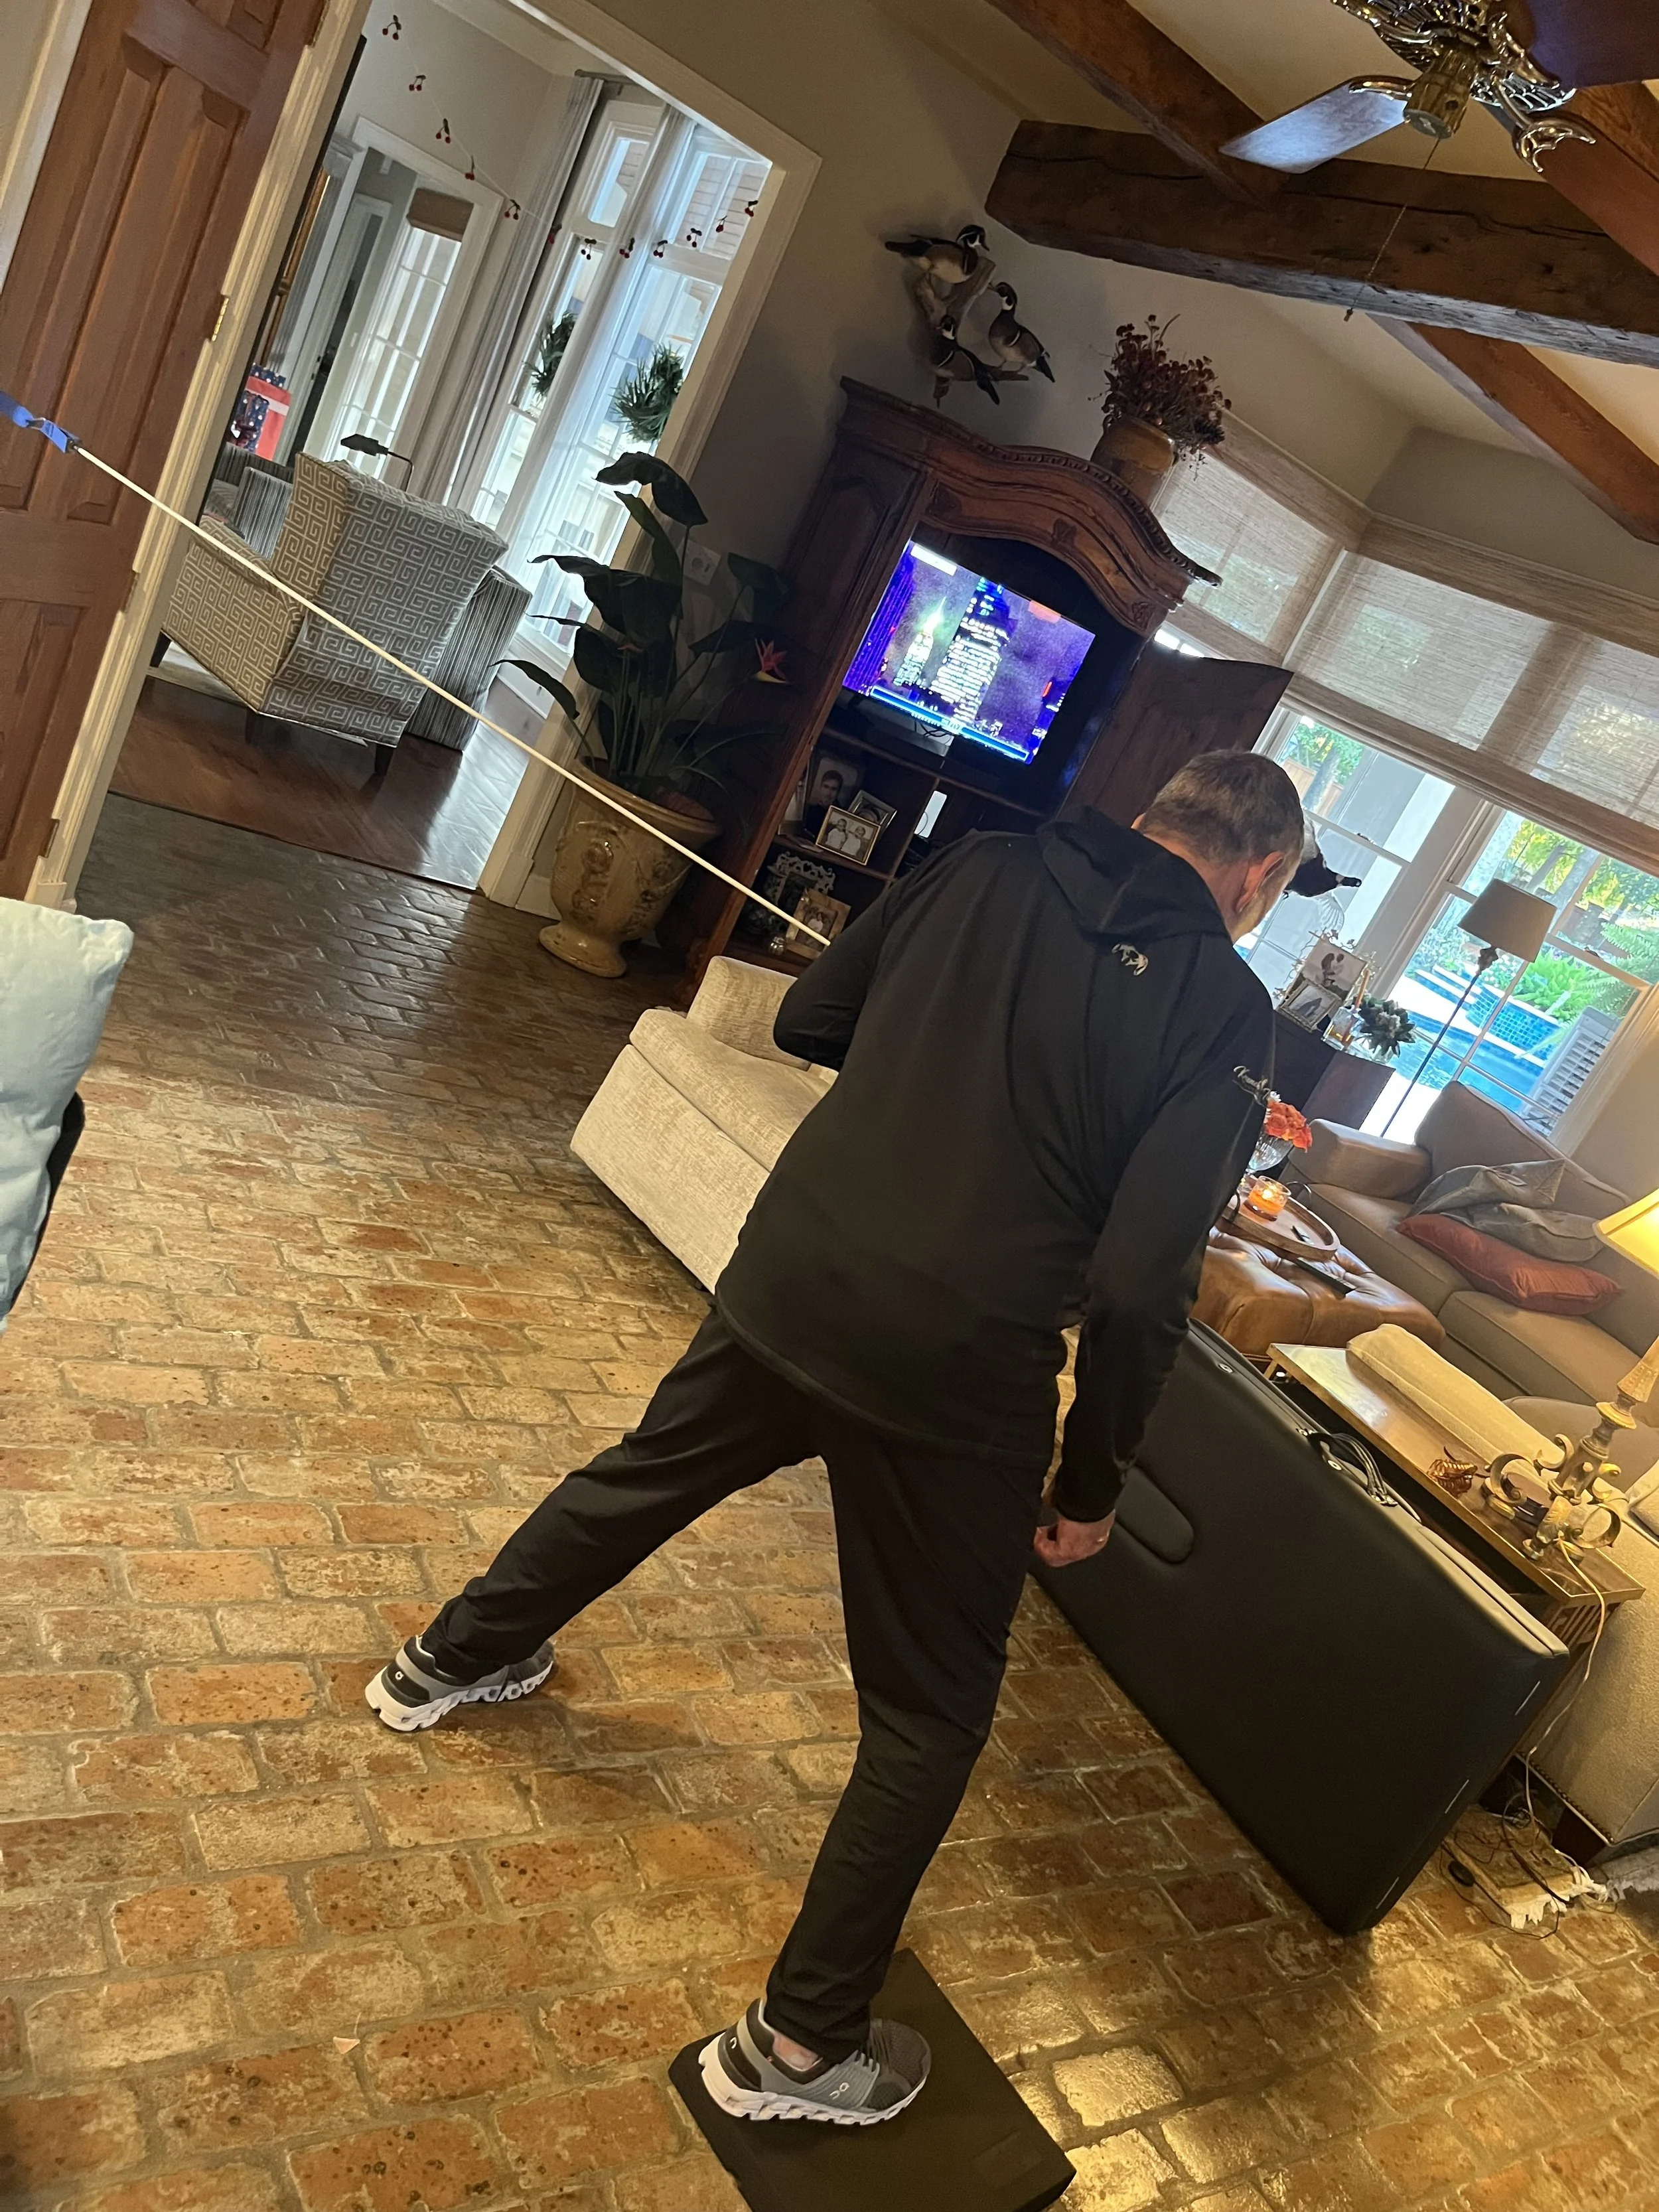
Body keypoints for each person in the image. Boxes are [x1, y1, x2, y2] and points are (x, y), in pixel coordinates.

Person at [365, 749, 1305, 2127]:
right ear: (1258, 876)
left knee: (642, 1477)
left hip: (794, 1278)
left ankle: (441, 1659)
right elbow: (1136, 1283)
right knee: (928, 1711)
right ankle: (799, 2047)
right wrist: (1091, 1478)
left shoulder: (983, 862)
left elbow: (810, 1018)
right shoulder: (1226, 1010)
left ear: (1156, 813)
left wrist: (939, 1092)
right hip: (955, 1375)